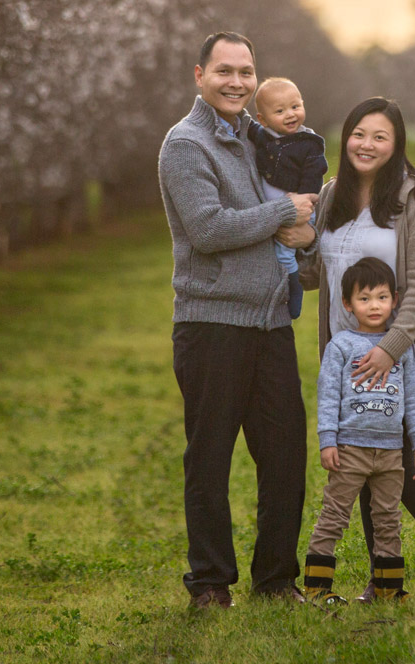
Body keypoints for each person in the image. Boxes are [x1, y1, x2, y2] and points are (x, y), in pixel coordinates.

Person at [298, 97, 415, 600]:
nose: (367, 144)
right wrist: (286, 235)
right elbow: (316, 274)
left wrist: (390, 350)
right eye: (359, 134)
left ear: (397, 144)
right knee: (365, 458)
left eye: (380, 136)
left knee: (391, 464)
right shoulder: (331, 195)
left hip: (394, 356)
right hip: (347, 354)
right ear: (346, 138)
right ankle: (386, 582)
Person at [158, 31, 317, 609]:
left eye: (246, 72)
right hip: (213, 324)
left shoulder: (259, 139)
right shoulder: (185, 145)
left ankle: (275, 580)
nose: (237, 82)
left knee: (284, 456)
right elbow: (208, 229)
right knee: (210, 455)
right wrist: (283, 213)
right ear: (198, 75)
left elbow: (291, 216)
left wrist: (305, 236)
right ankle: (209, 582)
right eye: (224, 71)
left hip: (271, 323)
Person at [302, 257, 415, 603]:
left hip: (389, 452)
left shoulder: (400, 348)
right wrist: (328, 440)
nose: (374, 305)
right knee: (334, 516)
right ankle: (317, 589)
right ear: (347, 304)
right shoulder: (340, 347)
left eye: (382, 297)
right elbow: (327, 396)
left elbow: (414, 398)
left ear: (395, 300)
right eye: (365, 298)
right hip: (350, 451)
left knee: (388, 520)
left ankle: (389, 590)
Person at [243, 77, 328, 320]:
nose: (290, 114)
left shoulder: (309, 144)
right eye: (280, 111)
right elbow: (245, 124)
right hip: (270, 207)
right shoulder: (263, 135)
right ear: (263, 119)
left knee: (284, 253)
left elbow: (314, 173)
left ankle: (293, 293)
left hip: (296, 206)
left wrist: (303, 200)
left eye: (295, 107)